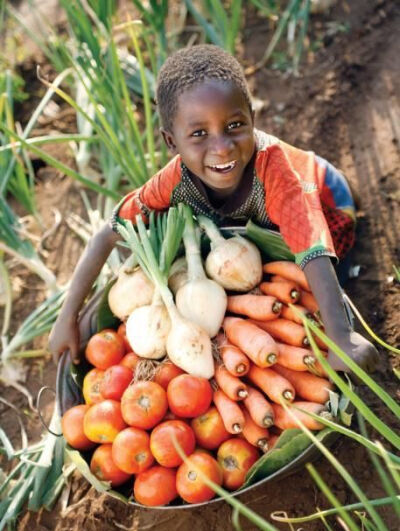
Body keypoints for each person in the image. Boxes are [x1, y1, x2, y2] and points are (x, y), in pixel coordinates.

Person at [49, 44, 378, 375]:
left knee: (316, 284)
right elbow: (107, 234)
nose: (221, 147)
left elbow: (313, 248)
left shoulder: (276, 173)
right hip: (267, 220)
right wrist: (68, 318)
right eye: (199, 134)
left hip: (326, 200)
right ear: (171, 141)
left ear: (252, 118)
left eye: (235, 125)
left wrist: (341, 337)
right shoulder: (174, 181)